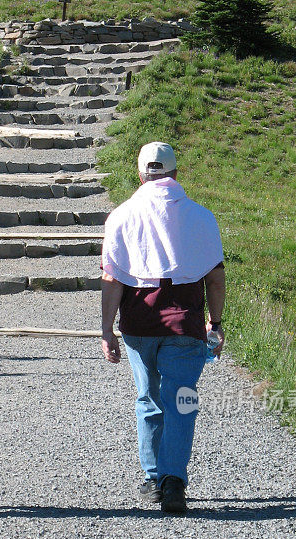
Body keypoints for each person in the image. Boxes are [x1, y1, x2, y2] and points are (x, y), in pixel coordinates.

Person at [100, 142, 225, 514]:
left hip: (139, 320)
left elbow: (112, 277)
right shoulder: (201, 216)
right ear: (176, 173)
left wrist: (107, 330)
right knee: (182, 401)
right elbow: (215, 277)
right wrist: (215, 324)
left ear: (141, 174)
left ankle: (153, 477)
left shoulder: (121, 215)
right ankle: (173, 480)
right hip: (185, 321)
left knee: (148, 399)